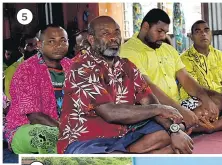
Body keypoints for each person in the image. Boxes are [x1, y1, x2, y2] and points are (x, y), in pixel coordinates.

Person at [57, 16, 193, 154]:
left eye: (117, 32)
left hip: (124, 134)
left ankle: (129, 154)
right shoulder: (81, 67)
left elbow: (148, 100)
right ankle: (139, 155)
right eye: (106, 33)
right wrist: (158, 108)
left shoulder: (127, 66)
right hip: (87, 139)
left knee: (174, 130)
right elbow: (110, 113)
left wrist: (173, 131)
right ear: (92, 40)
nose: (113, 38)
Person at [120, 9, 220, 131]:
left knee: (214, 103)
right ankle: (200, 127)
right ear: (145, 26)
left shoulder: (167, 49)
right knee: (162, 128)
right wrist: (182, 111)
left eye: (165, 32)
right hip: (153, 109)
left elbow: (186, 78)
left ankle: (187, 126)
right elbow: (148, 87)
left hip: (177, 104)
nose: (163, 36)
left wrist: (205, 99)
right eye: (159, 31)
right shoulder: (128, 51)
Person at [4, 24, 72, 154]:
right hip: (25, 128)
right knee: (47, 136)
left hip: (66, 127)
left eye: (63, 41)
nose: (58, 45)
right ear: (39, 45)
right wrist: (68, 131)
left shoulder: (72, 66)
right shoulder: (27, 70)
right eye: (51, 41)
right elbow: (34, 116)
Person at [179, 20, 222, 133]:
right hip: (196, 99)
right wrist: (221, 98)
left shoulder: (221, 55)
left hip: (220, 99)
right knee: (213, 104)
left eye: (206, 30)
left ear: (211, 33)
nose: (203, 34)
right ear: (191, 37)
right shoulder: (185, 58)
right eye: (198, 31)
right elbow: (195, 87)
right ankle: (213, 125)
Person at [4, 34, 40, 99]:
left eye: (37, 45)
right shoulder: (12, 70)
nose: (36, 48)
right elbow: (11, 97)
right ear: (21, 49)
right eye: (30, 45)